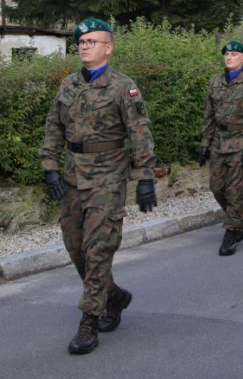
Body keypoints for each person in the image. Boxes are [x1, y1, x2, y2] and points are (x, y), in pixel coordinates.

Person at [40, 18, 157, 354]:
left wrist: (145, 178)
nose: (84, 46)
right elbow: (53, 127)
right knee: (75, 247)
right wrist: (50, 167)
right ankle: (114, 296)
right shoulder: (69, 84)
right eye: (81, 42)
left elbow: (140, 133)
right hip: (73, 176)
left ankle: (90, 319)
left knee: (98, 250)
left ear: (109, 48)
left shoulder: (123, 86)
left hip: (107, 178)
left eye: (92, 41)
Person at [198, 40, 243, 256]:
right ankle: (242, 217)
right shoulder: (216, 81)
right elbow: (208, 114)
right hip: (219, 142)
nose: (229, 57)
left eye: (234, 54)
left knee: (235, 191)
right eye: (227, 54)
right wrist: (204, 143)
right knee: (216, 187)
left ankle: (232, 232)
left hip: (242, 142)